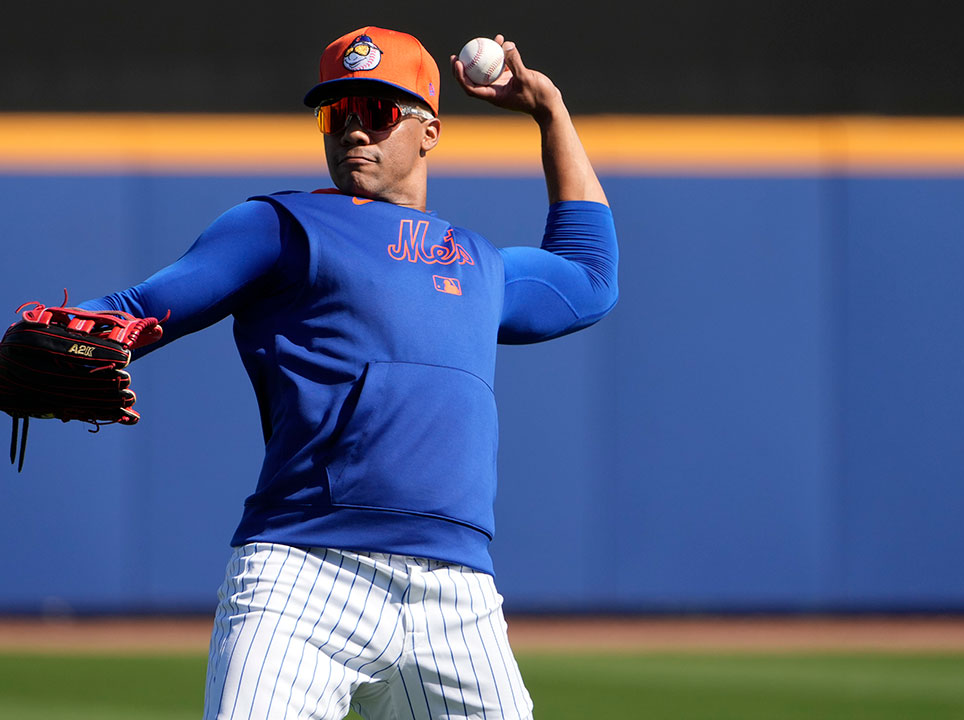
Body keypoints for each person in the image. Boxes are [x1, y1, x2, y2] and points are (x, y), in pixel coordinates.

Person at [79, 26, 617, 720]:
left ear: (429, 131)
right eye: (339, 114)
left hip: (457, 596)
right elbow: (142, 308)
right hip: (303, 573)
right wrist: (51, 334)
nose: (356, 130)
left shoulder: (478, 262)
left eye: (379, 111)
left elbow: (590, 278)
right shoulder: (282, 226)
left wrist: (551, 111)